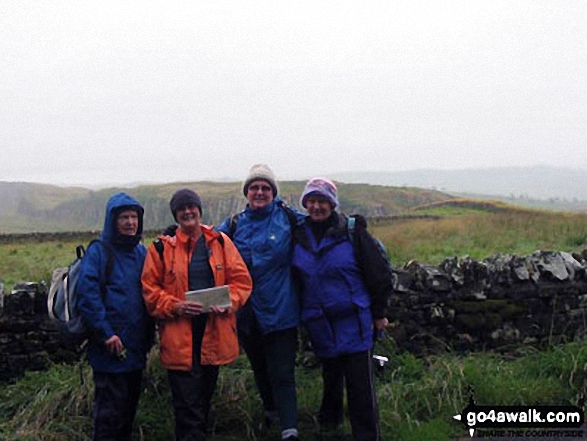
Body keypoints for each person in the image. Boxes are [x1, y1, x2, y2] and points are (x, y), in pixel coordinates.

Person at [141, 188, 252, 441]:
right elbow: (150, 292)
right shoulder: (160, 248)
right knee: (187, 404)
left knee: (203, 398)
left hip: (213, 332)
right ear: (176, 215)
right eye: (182, 209)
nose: (188, 212)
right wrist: (175, 306)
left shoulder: (221, 242)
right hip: (179, 337)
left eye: (192, 207)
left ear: (199, 211)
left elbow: (242, 282)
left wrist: (228, 303)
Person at [291, 178, 393, 441]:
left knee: (360, 388)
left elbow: (378, 274)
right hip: (320, 324)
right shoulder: (298, 234)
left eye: (322, 201)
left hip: (355, 323)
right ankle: (329, 429)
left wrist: (379, 314)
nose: (316, 206)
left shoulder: (351, 232)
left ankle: (367, 436)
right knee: (331, 380)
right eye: (311, 201)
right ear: (305, 204)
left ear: (332, 204)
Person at [216, 164, 303, 441]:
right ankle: (271, 411)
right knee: (260, 367)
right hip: (247, 313)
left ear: (273, 192)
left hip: (281, 308)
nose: (260, 192)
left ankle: (290, 428)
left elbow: (320, 224)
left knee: (282, 371)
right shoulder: (234, 224)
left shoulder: (289, 219)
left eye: (265, 187)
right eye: (254, 187)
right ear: (247, 192)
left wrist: (352, 227)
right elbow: (207, 241)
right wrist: (174, 236)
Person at [76, 192, 154, 441]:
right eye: (124, 217)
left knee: (128, 412)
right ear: (113, 221)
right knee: (109, 415)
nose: (130, 222)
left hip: (135, 347)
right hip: (109, 348)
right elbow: (88, 296)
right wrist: (105, 333)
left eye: (134, 217)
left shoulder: (141, 253)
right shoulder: (99, 252)